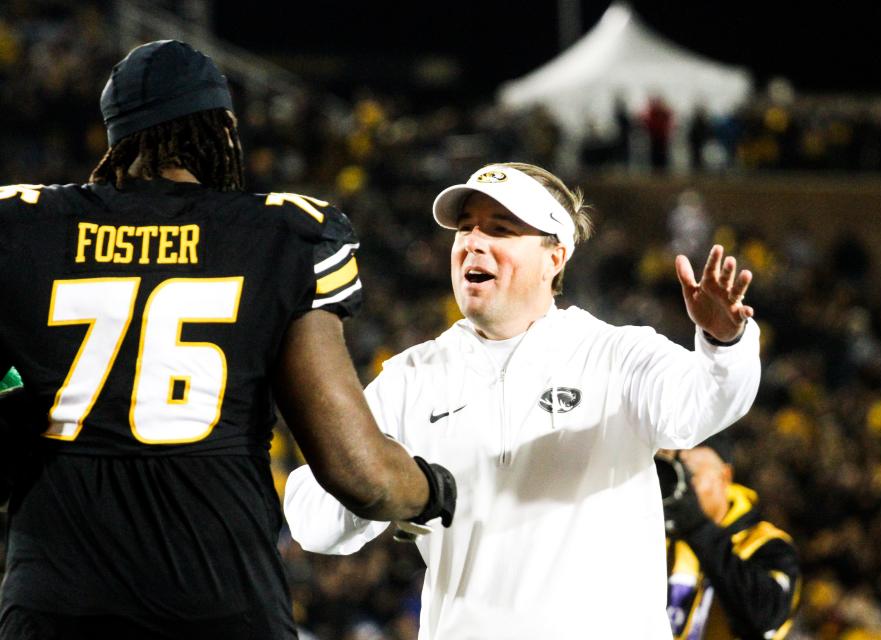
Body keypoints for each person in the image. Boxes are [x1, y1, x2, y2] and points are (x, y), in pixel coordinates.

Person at [0, 40, 455, 639]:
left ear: (115, 138)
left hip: (55, 605)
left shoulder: (23, 225)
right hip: (220, 598)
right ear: (224, 131)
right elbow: (360, 475)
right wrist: (436, 491)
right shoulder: (279, 233)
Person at [284, 161, 762, 639]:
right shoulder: (412, 378)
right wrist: (381, 486)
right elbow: (313, 523)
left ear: (555, 257)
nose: (473, 240)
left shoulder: (616, 355)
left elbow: (703, 403)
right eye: (465, 228)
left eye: (501, 229)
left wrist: (725, 342)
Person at [661, 433, 800, 639]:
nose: (679, 485)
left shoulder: (767, 544)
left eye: (689, 473)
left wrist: (698, 528)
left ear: (725, 476)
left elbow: (765, 617)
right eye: (671, 471)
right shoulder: (655, 531)